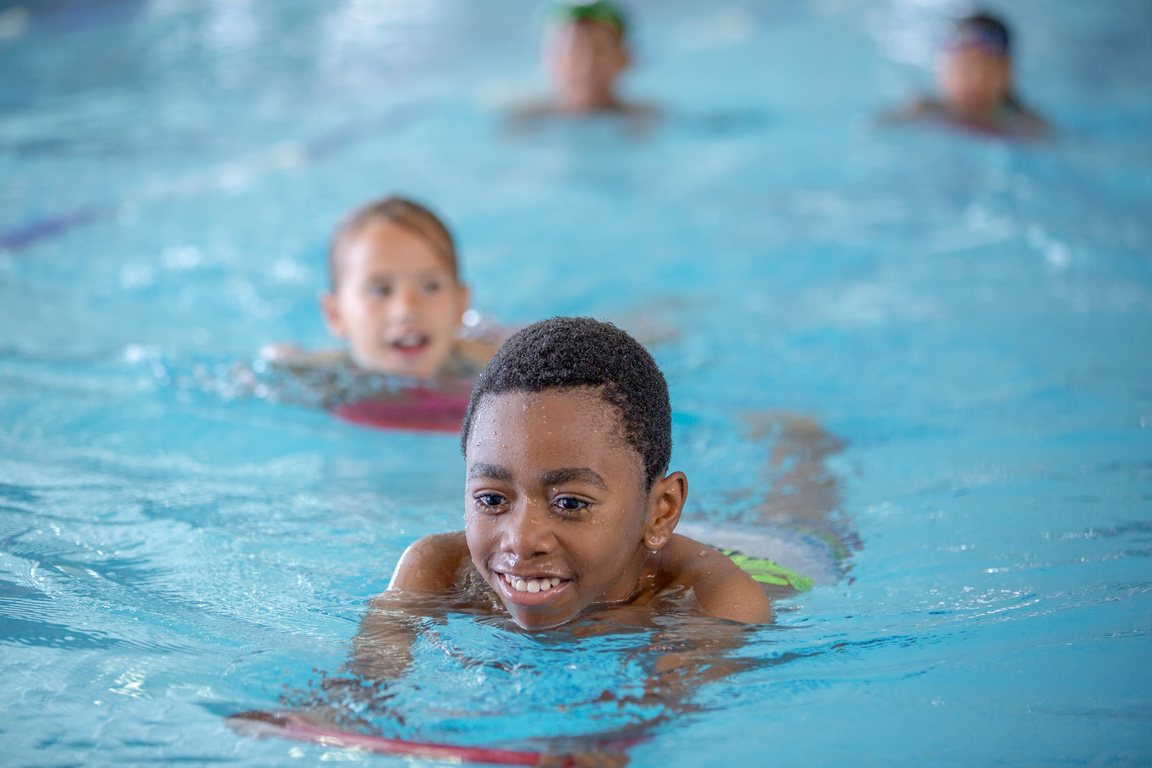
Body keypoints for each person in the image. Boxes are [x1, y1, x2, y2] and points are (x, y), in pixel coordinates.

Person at [366, 317, 771, 635]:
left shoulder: (713, 602)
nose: (521, 541)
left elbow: (650, 717)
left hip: (775, 559)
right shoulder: (439, 571)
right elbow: (367, 684)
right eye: (492, 499)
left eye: (570, 503)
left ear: (661, 511)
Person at [261, 196, 502, 381]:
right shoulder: (327, 377)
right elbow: (277, 360)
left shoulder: (494, 369)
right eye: (380, 291)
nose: (406, 309)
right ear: (335, 314)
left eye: (430, 286)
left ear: (461, 304)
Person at [882, 12, 1048, 139]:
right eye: (964, 68)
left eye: (989, 69)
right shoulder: (922, 111)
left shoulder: (1024, 126)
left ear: (1007, 73)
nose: (977, 79)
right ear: (943, 70)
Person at [509, 1, 658, 134]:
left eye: (599, 51)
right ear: (547, 58)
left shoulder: (645, 121)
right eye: (573, 52)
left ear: (625, 58)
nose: (586, 65)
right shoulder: (523, 122)